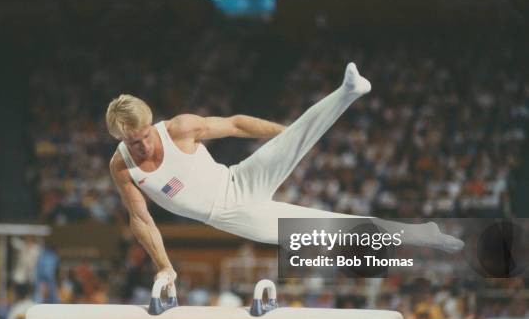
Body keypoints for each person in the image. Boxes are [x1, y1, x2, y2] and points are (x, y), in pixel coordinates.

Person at [107, 63, 464, 284]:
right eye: (132, 141)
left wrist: (287, 135)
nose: (142, 146)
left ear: (152, 122)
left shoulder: (180, 128)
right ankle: (422, 234)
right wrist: (165, 267)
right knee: (336, 230)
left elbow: (235, 124)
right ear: (121, 139)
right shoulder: (123, 166)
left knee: (297, 132)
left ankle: (349, 90)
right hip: (235, 215)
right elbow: (141, 220)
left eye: (145, 136)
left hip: (239, 178)